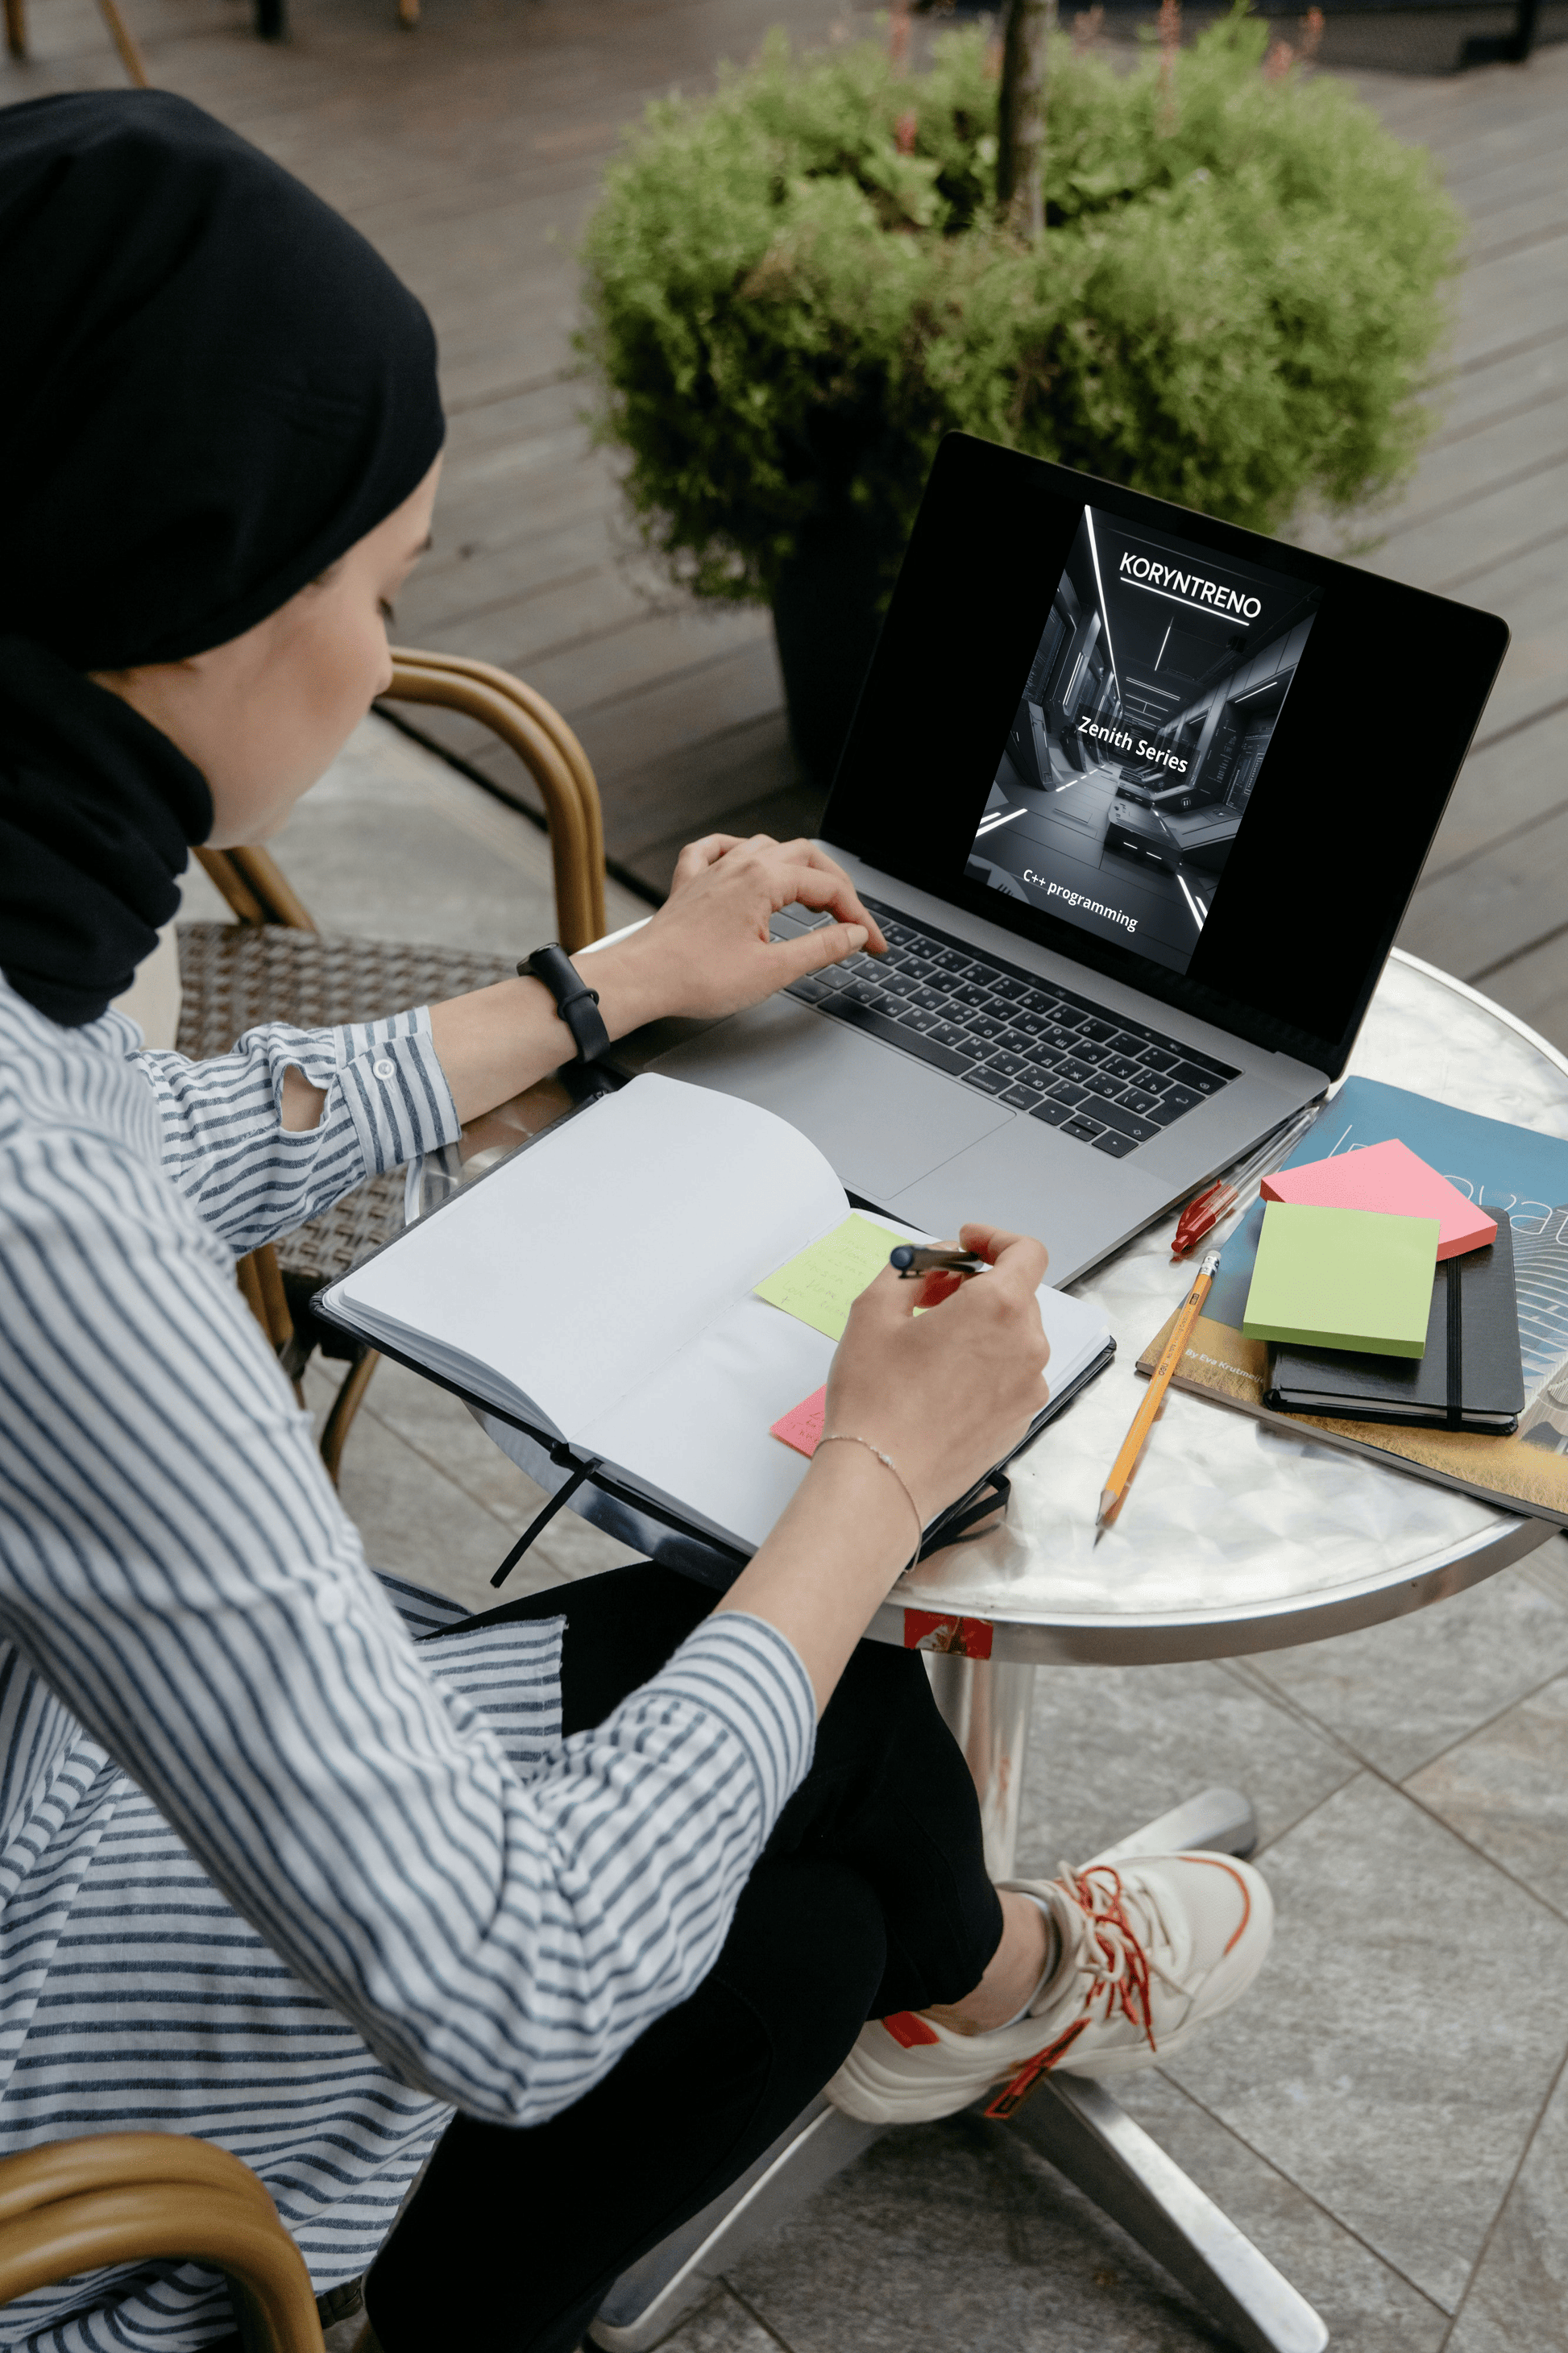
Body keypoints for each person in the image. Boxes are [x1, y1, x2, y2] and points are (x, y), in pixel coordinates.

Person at [0, 89, 1273, 2353]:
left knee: (792, 1900)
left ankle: (970, 1985)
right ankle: (1010, 1982)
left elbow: (142, 1153)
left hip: (47, 1764)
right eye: (380, 588)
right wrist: (882, 1462)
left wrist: (609, 990)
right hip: (58, 2066)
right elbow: (516, 1981)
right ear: (182, 586)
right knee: (788, 1741)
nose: (389, 667)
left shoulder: (31, 940)